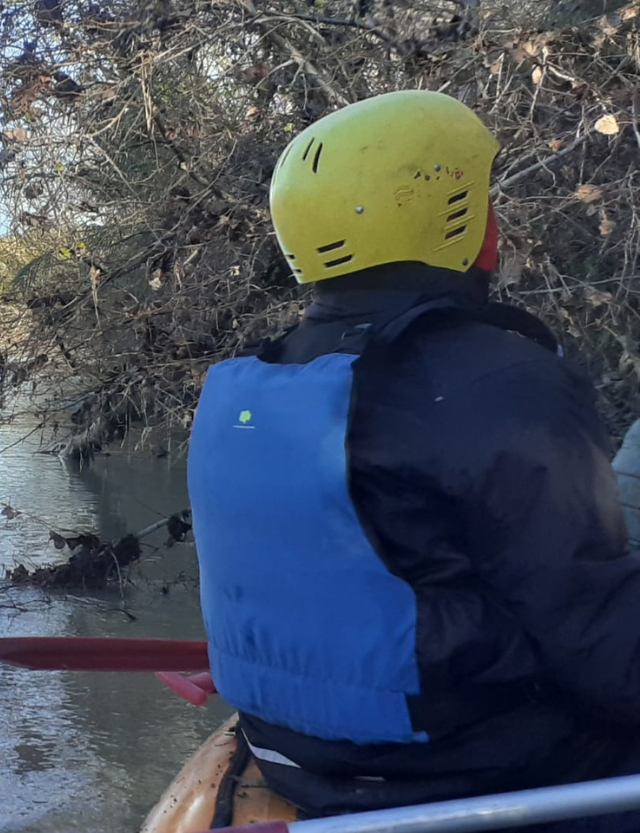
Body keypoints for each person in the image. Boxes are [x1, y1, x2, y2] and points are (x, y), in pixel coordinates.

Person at [186, 89, 640, 830]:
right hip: (463, 763)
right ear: (450, 215)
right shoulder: (498, 378)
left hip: (294, 755)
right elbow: (591, 630)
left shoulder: (249, 382)